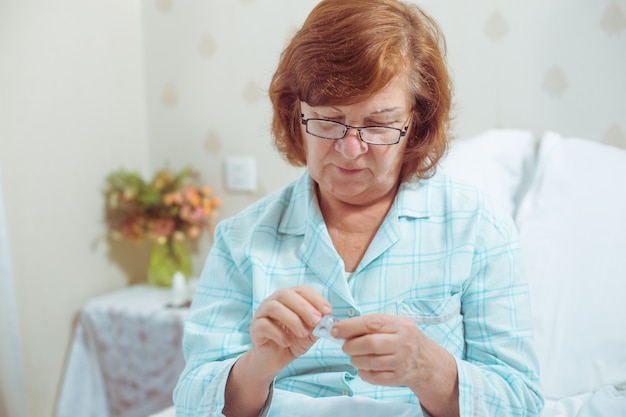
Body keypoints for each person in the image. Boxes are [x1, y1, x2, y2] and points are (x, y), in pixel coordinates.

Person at [173, 0, 543, 416]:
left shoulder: (478, 227)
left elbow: (522, 403)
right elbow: (190, 401)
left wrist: (430, 369)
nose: (350, 150)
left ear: (415, 124)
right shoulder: (241, 239)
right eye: (329, 121)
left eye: (379, 124)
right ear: (296, 115)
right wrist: (255, 368)